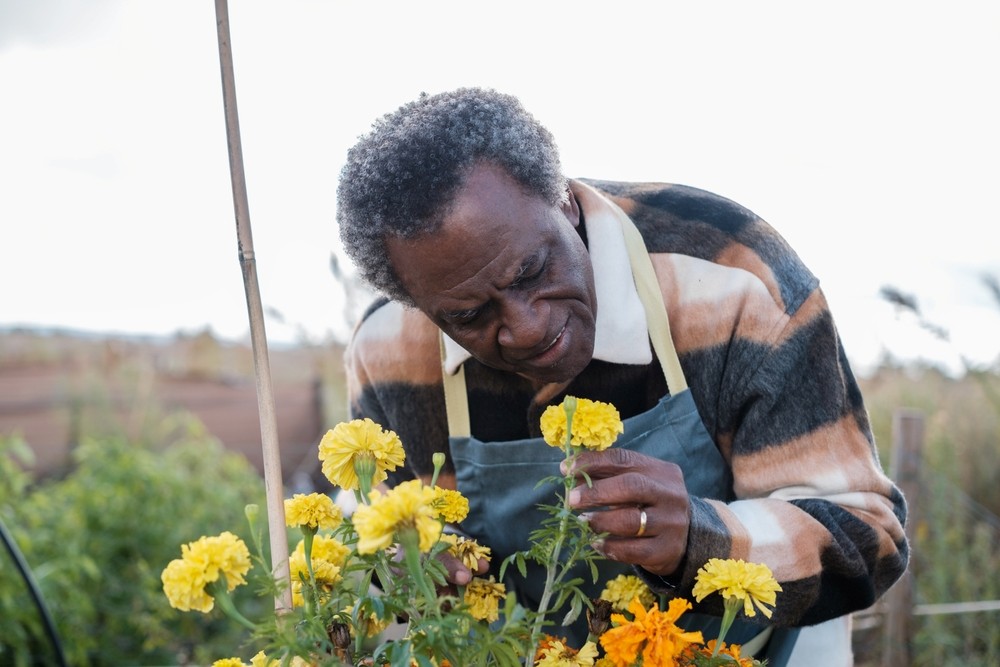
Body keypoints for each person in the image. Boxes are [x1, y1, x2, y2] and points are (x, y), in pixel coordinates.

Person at [334, 87, 908, 665]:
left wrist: (697, 537)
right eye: (469, 316)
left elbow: (867, 535)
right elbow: (371, 520)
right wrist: (407, 556)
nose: (527, 328)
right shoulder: (388, 351)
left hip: (760, 648)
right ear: (416, 303)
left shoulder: (731, 278)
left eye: (532, 271)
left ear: (565, 202)